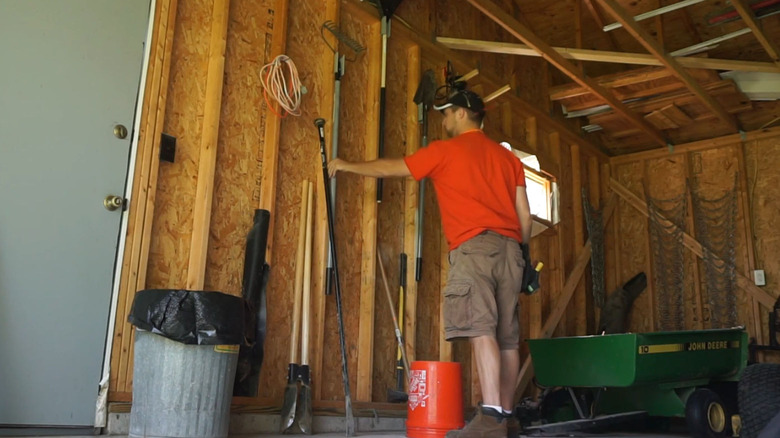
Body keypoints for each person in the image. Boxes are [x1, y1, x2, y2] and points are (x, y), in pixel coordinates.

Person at [328, 89, 533, 438]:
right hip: (513, 250)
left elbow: (396, 168)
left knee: (482, 330)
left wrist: (347, 165)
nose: (443, 120)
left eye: (446, 113)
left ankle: (491, 419)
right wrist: (523, 258)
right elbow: (525, 217)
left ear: (462, 114)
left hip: (474, 248)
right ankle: (508, 417)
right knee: (508, 339)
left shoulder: (445, 151)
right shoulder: (507, 158)